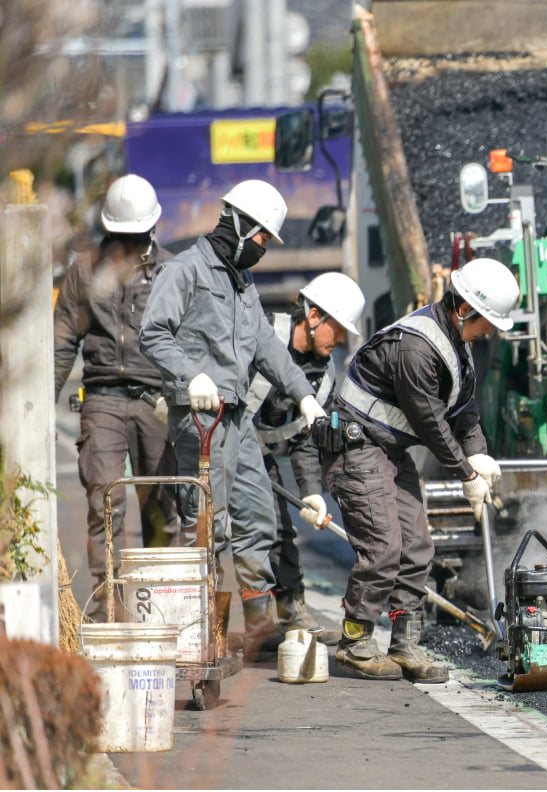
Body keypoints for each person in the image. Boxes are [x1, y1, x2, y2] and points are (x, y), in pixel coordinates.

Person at [139, 179, 325, 657]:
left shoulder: (242, 282)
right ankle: (200, 630)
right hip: (201, 418)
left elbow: (265, 345)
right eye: (262, 236)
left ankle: (259, 625)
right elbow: (153, 333)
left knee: (258, 517)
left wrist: (304, 395)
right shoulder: (185, 270)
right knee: (207, 522)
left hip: (237, 418)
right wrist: (190, 376)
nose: (264, 247)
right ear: (240, 225)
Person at [322, 257, 518, 683]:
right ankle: (355, 644)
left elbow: (464, 410)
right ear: (464, 309)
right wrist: (465, 475)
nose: (489, 332)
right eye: (488, 323)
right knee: (383, 547)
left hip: (389, 449)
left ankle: (404, 644)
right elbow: (430, 422)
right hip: (359, 447)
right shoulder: (417, 348)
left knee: (417, 547)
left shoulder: (458, 347)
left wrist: (479, 456)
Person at [53, 174, 177, 621]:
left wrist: (185, 392)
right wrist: (38, 408)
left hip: (156, 401)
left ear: (152, 228)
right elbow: (62, 342)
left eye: (136, 236)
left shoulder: (171, 272)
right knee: (105, 500)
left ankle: (161, 602)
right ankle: (110, 602)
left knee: (162, 502)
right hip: (102, 397)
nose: (129, 244)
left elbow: (189, 339)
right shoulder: (85, 271)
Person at [230, 272, 366, 644]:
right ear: (313, 315)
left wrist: (311, 492)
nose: (340, 340)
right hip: (221, 446)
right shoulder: (261, 334)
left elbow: (304, 440)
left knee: (279, 529)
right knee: (223, 533)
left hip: (259, 455)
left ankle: (290, 612)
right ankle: (213, 618)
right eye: (338, 329)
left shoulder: (324, 374)